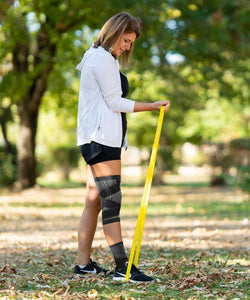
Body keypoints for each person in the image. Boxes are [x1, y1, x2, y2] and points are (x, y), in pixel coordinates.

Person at [74, 12, 170, 283]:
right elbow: (115, 102)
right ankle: (122, 268)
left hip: (97, 139)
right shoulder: (103, 59)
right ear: (114, 33)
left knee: (94, 201)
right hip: (100, 141)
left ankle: (83, 265)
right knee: (112, 202)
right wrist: (152, 106)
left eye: (131, 43)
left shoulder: (101, 57)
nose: (128, 46)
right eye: (126, 40)